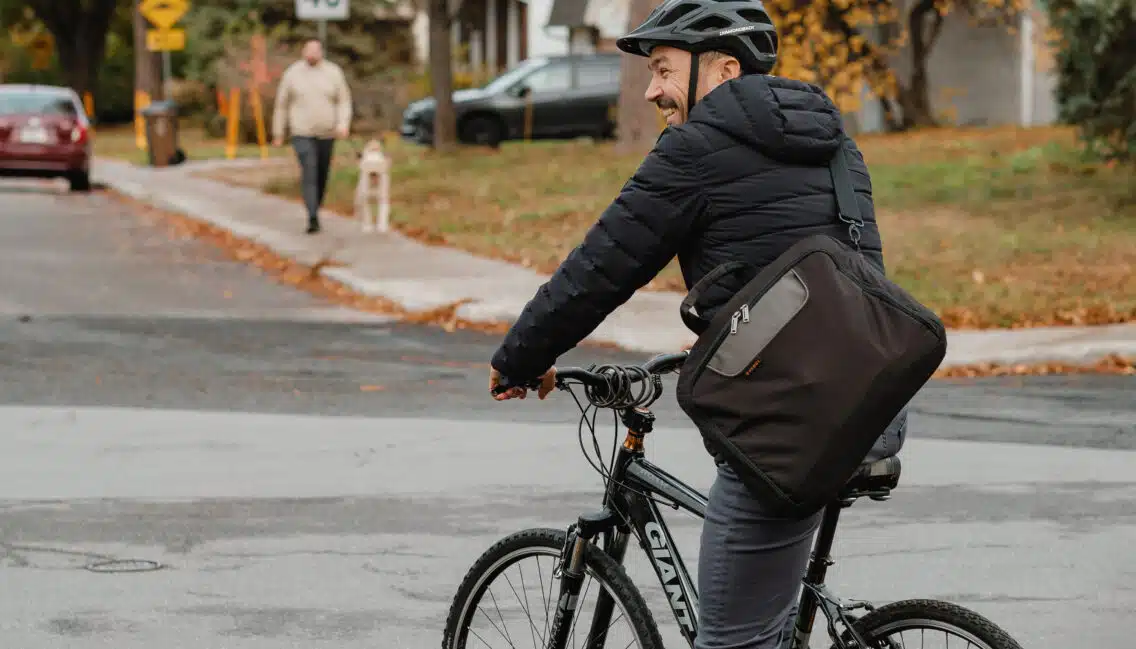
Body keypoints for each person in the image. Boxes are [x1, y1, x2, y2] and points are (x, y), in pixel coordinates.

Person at [487, 0, 908, 647]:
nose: (652, 89)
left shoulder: (696, 150)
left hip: (788, 430)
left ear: (721, 70)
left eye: (661, 69)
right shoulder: (835, 144)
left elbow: (603, 264)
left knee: (732, 640)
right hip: (871, 410)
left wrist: (520, 357)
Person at [271, 39, 353, 234]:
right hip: (302, 132)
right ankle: (312, 215)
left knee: (322, 173)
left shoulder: (333, 73)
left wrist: (343, 124)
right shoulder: (292, 74)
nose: (312, 54)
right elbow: (281, 105)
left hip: (327, 132)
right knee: (309, 169)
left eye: (315, 50)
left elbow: (343, 101)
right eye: (308, 50)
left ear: (321, 52)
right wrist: (278, 132)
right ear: (303, 52)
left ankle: (316, 206)